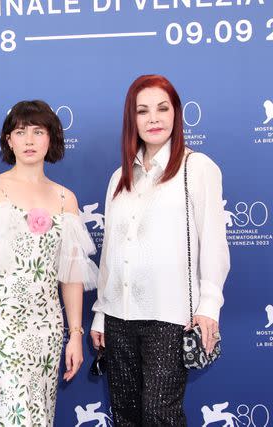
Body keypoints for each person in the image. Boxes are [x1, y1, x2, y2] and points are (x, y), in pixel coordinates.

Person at [0, 100, 98, 426]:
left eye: (38, 131)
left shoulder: (64, 198)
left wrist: (75, 334)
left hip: (46, 330)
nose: (29, 140)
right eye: (20, 131)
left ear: (51, 139)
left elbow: (71, 276)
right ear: (8, 140)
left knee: (39, 416)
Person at [90, 74, 230, 426]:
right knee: (125, 416)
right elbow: (111, 254)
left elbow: (214, 241)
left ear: (176, 114)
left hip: (170, 317)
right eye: (143, 110)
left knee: (159, 414)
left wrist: (209, 307)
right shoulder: (119, 177)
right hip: (119, 317)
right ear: (131, 120)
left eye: (162, 108)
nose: (153, 118)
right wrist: (100, 314)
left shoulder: (197, 168)